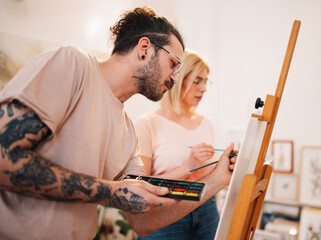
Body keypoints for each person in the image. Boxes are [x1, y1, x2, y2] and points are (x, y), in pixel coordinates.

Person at [0, 6, 237, 240]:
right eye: (174, 63)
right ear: (144, 48)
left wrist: (216, 180)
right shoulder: (73, 64)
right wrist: (110, 191)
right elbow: (3, 158)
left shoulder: (127, 131)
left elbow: (143, 222)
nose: (175, 78)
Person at [134, 50, 220, 240]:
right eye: (197, 81)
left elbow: (208, 177)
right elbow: (141, 187)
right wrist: (187, 167)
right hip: (165, 213)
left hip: (207, 209)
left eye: (206, 81)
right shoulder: (147, 123)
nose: (204, 88)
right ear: (179, 79)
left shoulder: (206, 123)